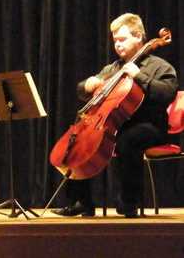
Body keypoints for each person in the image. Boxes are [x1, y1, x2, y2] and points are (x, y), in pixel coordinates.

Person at [52, 13, 178, 218]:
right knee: (81, 141)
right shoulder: (113, 68)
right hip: (117, 124)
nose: (117, 45)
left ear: (138, 36)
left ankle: (129, 202)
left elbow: (167, 93)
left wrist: (139, 75)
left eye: (122, 39)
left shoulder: (160, 66)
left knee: (128, 140)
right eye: (115, 41)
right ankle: (82, 202)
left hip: (150, 126)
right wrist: (88, 84)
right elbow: (82, 91)